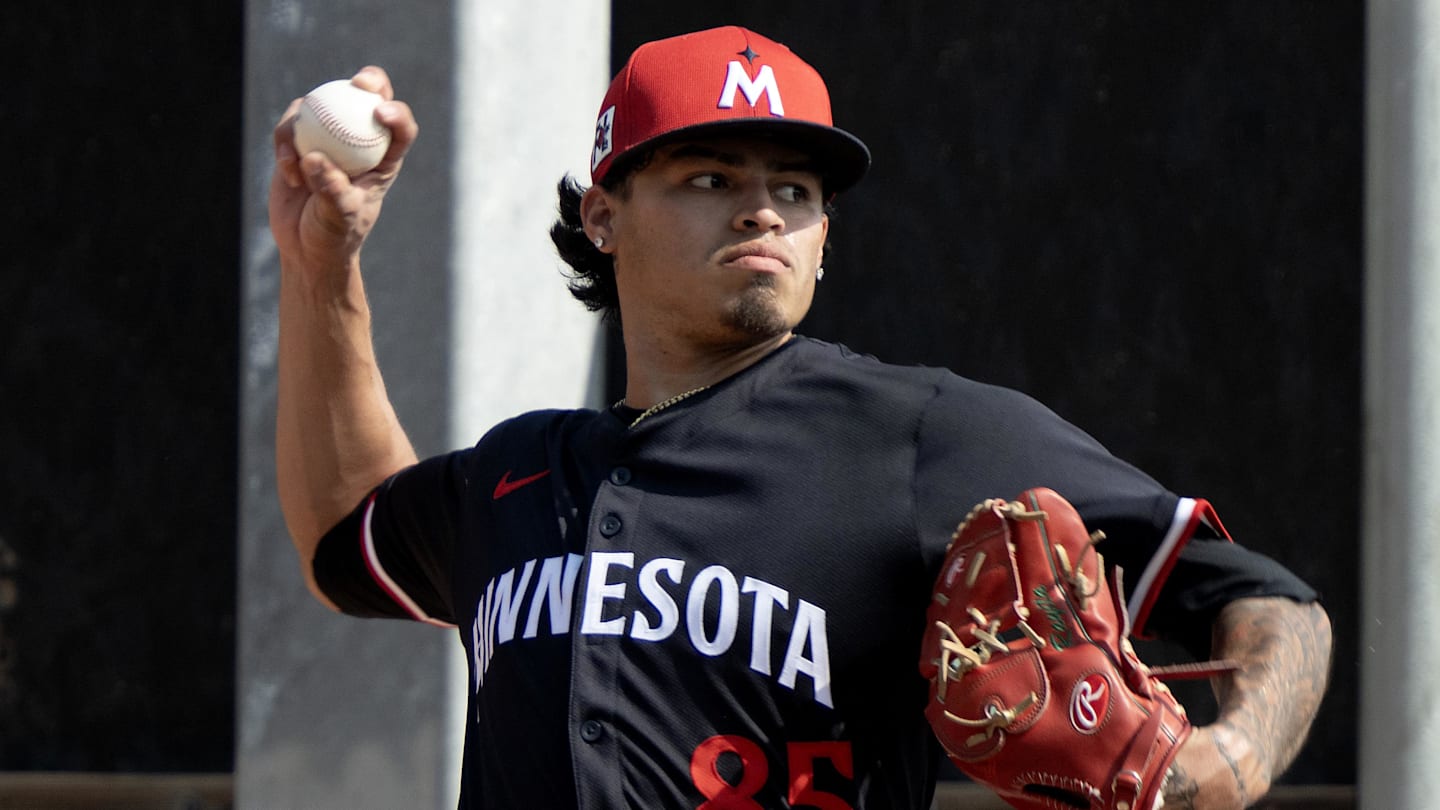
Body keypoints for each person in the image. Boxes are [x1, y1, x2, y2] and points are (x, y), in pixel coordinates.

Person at [269, 25, 1331, 810]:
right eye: (710, 174)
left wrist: (1228, 761)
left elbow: (1274, 606)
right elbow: (344, 534)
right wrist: (324, 265)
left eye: (799, 188)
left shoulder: (919, 434)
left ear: (825, 236)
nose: (764, 207)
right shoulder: (520, 476)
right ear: (602, 214)